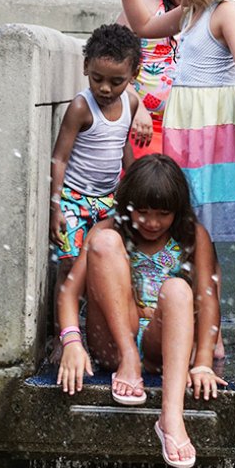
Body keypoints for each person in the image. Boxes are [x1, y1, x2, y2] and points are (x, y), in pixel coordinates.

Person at [56, 155, 226, 468]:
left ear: (177, 211)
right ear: (127, 205)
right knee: (104, 243)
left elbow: (208, 298)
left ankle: (171, 419)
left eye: (162, 214)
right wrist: (71, 343)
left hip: (165, 345)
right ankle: (129, 359)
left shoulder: (193, 235)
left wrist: (203, 362)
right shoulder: (110, 227)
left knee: (178, 289)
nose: (151, 223)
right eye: (142, 212)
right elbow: (69, 292)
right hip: (114, 342)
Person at [120, 0, 235, 244]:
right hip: (186, 122)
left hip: (211, 122)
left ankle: (208, 272)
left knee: (208, 208)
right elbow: (144, 27)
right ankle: (186, 271)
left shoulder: (228, 11)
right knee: (187, 201)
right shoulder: (190, 11)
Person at [50, 23, 149, 294]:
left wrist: (136, 184)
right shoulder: (81, 107)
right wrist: (55, 206)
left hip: (109, 200)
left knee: (108, 260)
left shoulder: (130, 103)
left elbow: (122, 145)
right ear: (86, 67)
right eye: (97, 78)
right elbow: (59, 159)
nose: (105, 88)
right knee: (69, 265)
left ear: (134, 74)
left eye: (116, 81)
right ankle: (63, 334)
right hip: (74, 199)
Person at [117, 0, 180, 158]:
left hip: (189, 127)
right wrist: (138, 107)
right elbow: (114, 64)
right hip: (145, 125)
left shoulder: (206, 10)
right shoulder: (144, 5)